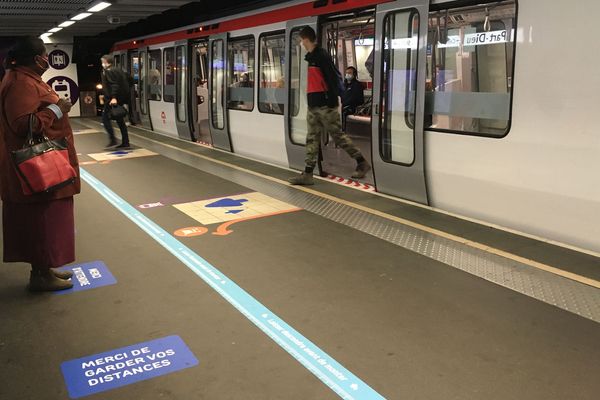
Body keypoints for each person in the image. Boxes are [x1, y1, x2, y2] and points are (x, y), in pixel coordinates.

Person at [0, 37, 80, 291]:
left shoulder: (23, 79)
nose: (47, 58)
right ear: (36, 58)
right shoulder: (21, 83)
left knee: (45, 220)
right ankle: (41, 277)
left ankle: (44, 268)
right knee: (40, 220)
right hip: (36, 168)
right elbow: (23, 125)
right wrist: (58, 110)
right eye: (45, 54)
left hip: (39, 166)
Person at [288, 26, 370, 185]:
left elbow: (334, 77)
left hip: (326, 106)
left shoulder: (321, 56)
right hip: (314, 106)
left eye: (300, 40)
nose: (300, 43)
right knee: (311, 139)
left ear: (305, 39)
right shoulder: (311, 57)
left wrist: (341, 97)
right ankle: (308, 173)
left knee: (338, 136)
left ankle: (361, 162)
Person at [100, 54, 130, 148]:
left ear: (106, 62)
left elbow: (114, 85)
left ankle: (113, 140)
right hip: (119, 99)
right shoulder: (119, 70)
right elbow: (130, 80)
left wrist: (113, 97)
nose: (102, 64)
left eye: (102, 62)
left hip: (112, 100)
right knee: (120, 120)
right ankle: (125, 142)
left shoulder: (108, 71)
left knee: (105, 119)